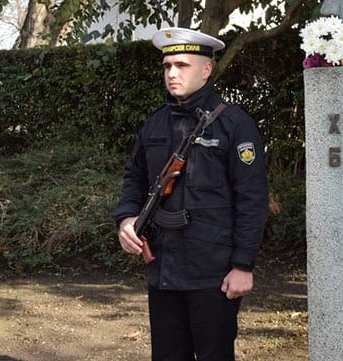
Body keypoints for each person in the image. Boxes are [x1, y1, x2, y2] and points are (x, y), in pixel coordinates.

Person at [113, 27, 269, 361]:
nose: (172, 73)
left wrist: (243, 265)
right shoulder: (154, 124)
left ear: (206, 70)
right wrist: (127, 218)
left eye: (182, 65)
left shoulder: (235, 125)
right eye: (167, 65)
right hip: (163, 269)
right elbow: (135, 177)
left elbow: (252, 199)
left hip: (213, 273)